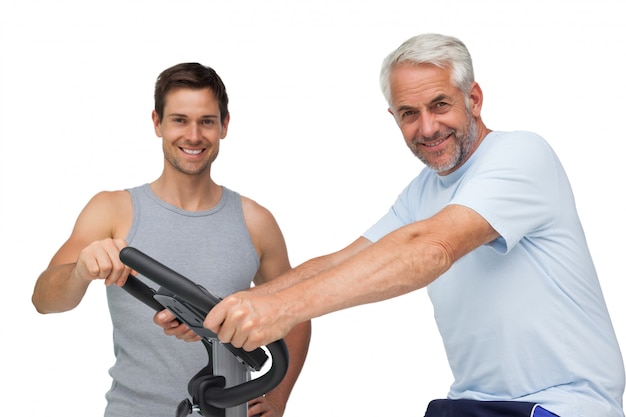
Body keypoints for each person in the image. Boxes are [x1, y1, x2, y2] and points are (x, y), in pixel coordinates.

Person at [202, 34, 626, 417]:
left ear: (473, 98)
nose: (427, 128)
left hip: (561, 403)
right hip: (471, 403)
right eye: (409, 113)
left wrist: (283, 309)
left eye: (440, 105)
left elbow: (431, 249)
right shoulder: (422, 192)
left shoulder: (520, 155)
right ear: (394, 117)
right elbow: (343, 261)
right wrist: (224, 307)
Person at [32, 62, 311, 417]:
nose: (193, 136)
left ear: (224, 125)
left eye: (206, 121)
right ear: (157, 123)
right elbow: (43, 300)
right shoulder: (112, 210)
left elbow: (297, 315)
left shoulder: (256, 221)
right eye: (179, 120)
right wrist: (79, 272)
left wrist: (276, 399)